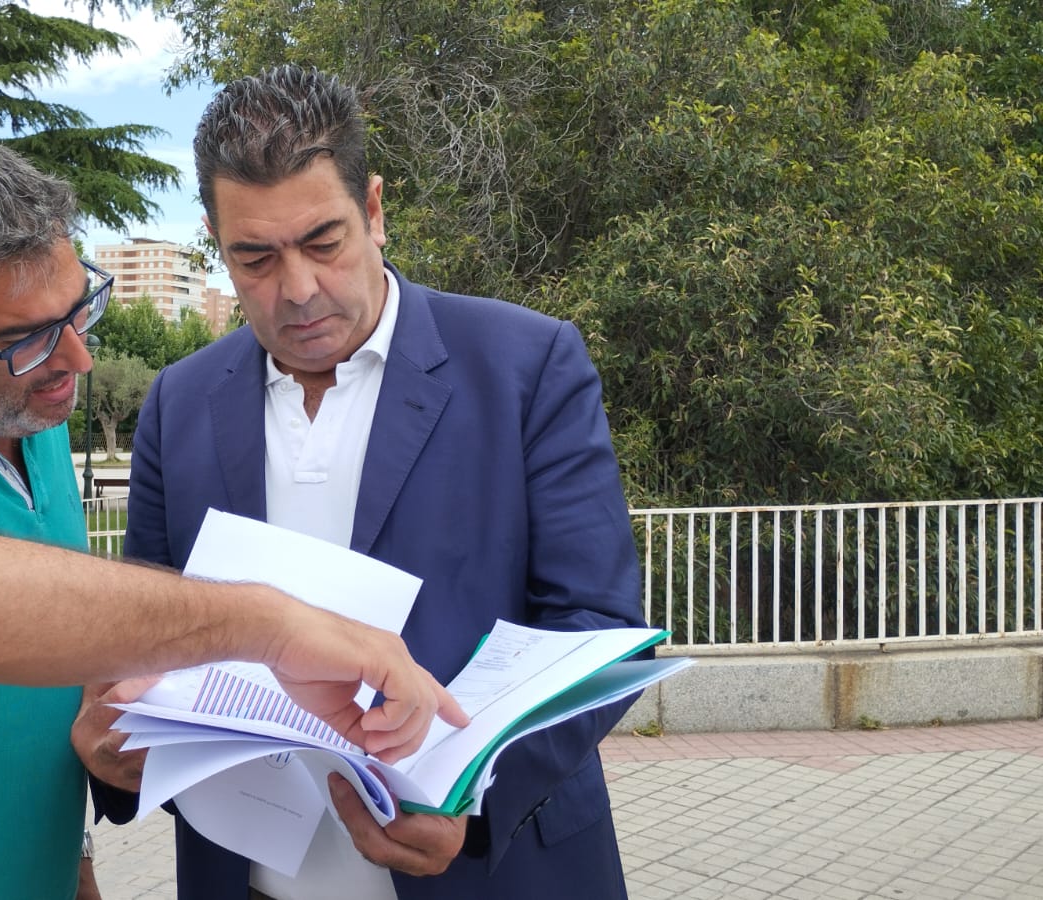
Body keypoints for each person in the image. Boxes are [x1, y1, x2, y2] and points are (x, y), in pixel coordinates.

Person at [0, 136, 465, 899]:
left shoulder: (25, 412)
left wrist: (78, 856)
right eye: (25, 339)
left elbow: (25, 648)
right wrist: (268, 625)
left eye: (77, 311)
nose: (78, 359)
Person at [75, 65, 650, 899]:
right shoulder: (179, 400)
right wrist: (116, 737)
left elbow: (597, 626)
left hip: (493, 876)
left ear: (374, 210)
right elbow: (151, 637)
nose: (298, 290)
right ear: (214, 240)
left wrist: (474, 796)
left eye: (324, 242)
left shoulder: (525, 366)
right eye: (255, 258)